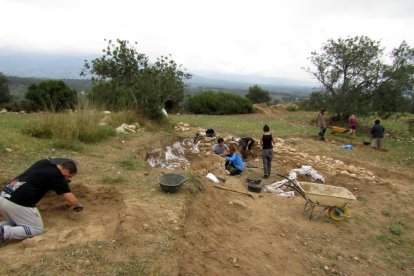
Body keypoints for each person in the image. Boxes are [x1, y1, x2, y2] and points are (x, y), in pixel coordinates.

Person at [0, 159, 83, 243]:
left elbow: (51, 164)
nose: (67, 179)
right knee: (36, 229)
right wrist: (78, 205)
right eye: (69, 177)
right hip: (18, 201)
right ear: (66, 171)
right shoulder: (57, 177)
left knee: (19, 222)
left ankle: (2, 228)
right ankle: (3, 232)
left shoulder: (44, 163)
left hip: (5, 194)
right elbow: (71, 199)